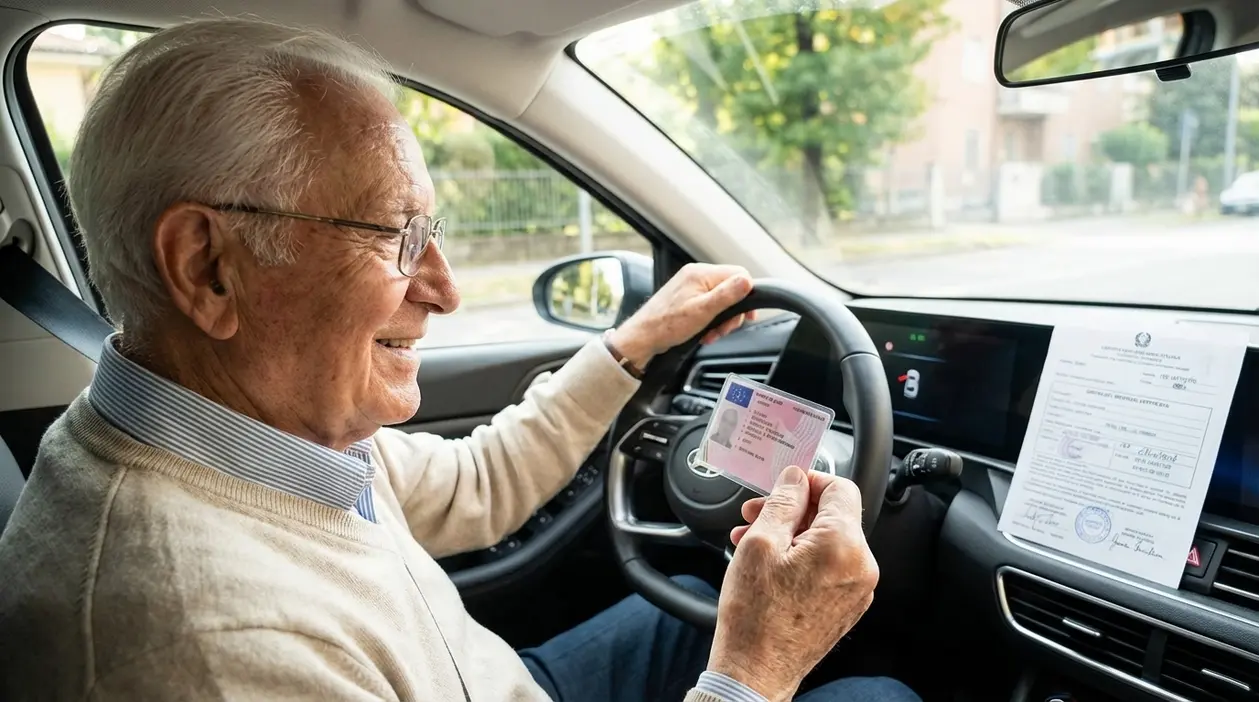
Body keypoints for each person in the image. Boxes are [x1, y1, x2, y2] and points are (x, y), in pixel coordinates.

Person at [0, 18, 918, 702]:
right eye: (396, 236)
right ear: (207, 267)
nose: (443, 289)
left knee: (686, 591)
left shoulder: (254, 432)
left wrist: (631, 344)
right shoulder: (210, 650)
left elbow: (477, 483)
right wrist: (751, 674)